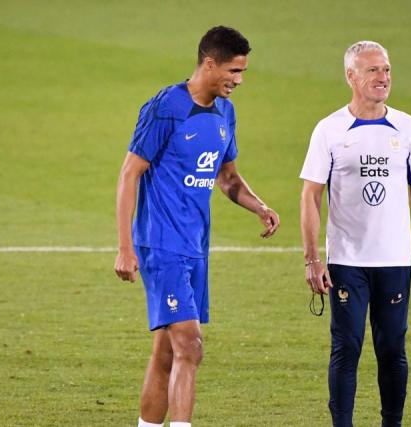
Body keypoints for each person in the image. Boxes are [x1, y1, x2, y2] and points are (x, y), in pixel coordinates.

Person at [114, 26, 280, 427]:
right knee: (191, 345)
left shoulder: (225, 111)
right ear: (209, 64)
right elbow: (129, 175)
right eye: (234, 71)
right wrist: (125, 247)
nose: (239, 81)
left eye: (242, 72)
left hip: (195, 245)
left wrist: (258, 206)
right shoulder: (166, 107)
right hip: (161, 244)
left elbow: (227, 177)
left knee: (166, 352)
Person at [299, 40, 411, 426]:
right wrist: (313, 258)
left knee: (393, 348)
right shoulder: (329, 129)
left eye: (387, 69)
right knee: (347, 348)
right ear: (351, 76)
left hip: (394, 260)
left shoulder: (407, 127)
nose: (383, 78)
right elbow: (310, 195)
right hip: (346, 261)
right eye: (373, 70)